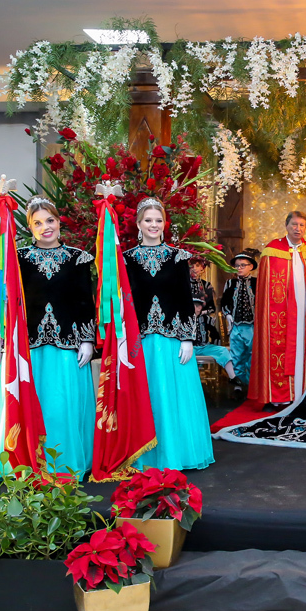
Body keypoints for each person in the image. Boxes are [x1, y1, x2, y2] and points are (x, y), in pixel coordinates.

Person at [123, 199, 215, 471]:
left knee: (174, 398)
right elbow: (124, 300)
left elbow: (184, 299)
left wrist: (187, 338)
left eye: (158, 220)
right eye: (148, 220)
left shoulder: (178, 257)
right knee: (147, 396)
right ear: (138, 224)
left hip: (173, 339)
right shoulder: (126, 258)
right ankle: (145, 456)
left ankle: (176, 455)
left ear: (164, 224)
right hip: (140, 341)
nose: (154, 225)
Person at [13, 197, 97, 478]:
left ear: (59, 222)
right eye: (37, 223)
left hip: (68, 347)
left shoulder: (78, 258)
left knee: (63, 408)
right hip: (32, 348)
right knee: (39, 406)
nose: (45, 227)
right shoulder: (19, 259)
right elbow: (14, 303)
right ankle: (35, 464)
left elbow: (85, 301)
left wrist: (87, 340)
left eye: (50, 220)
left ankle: (66, 464)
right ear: (30, 227)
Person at [249, 211, 306, 408]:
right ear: (287, 226)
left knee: (303, 351)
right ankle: (278, 396)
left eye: (302, 225)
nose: (298, 229)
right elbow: (265, 289)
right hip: (279, 314)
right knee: (278, 350)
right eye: (294, 224)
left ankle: (303, 394)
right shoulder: (272, 251)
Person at [220, 250, 258, 397]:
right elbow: (224, 302)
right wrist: (228, 314)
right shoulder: (230, 283)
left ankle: (252, 386)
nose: (239, 268)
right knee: (236, 356)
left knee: (252, 356)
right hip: (236, 326)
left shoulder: (256, 282)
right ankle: (238, 386)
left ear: (251, 267)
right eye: (237, 266)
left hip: (252, 326)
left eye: (243, 265)